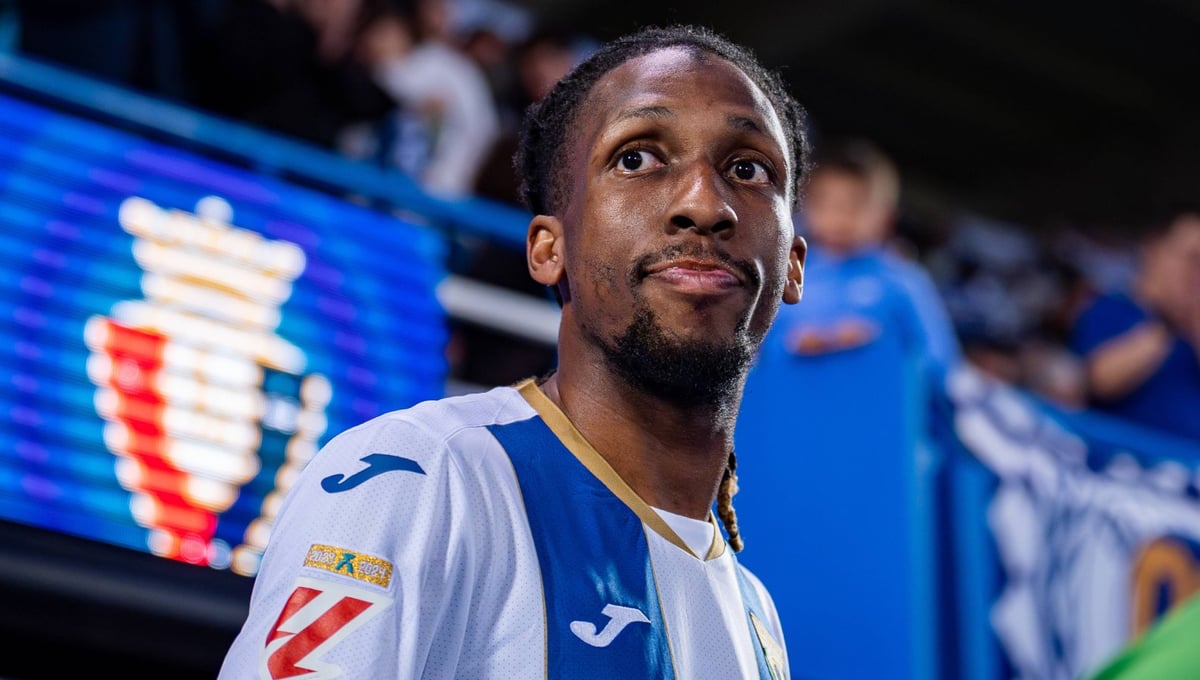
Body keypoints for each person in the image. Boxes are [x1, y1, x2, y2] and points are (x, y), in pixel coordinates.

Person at [218, 23, 808, 679]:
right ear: (549, 249)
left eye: (748, 169)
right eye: (637, 158)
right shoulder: (420, 476)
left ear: (793, 265)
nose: (703, 203)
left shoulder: (758, 621)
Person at [764, 138, 960, 376]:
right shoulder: (786, 273)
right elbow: (758, 349)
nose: (839, 217)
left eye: (855, 205)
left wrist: (875, 351)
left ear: (887, 216)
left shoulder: (904, 281)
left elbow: (939, 362)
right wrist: (795, 345)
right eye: (827, 203)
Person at [1068, 211, 1200, 440]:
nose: (1195, 272)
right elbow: (1100, 381)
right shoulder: (1112, 308)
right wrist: (1170, 323)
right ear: (1154, 249)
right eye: (1192, 258)